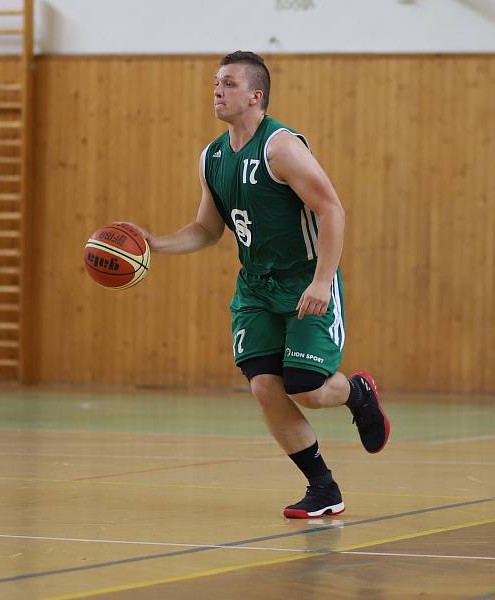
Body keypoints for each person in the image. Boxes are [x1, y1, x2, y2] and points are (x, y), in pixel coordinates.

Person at [130, 51, 390, 518]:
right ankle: (323, 489)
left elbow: (333, 210)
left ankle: (356, 392)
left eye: (228, 83)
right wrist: (155, 244)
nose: (217, 90)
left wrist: (322, 281)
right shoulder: (211, 157)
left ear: (256, 96)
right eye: (215, 82)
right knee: (265, 386)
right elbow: (208, 230)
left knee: (306, 386)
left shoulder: (282, 148)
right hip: (255, 286)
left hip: (305, 281)